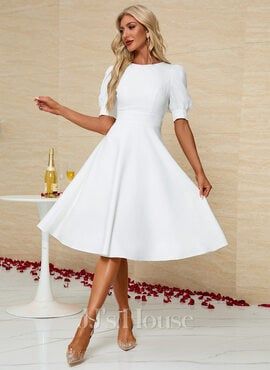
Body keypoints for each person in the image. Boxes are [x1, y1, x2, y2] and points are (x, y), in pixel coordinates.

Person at [34, 4, 228, 366]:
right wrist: (61, 110)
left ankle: (87, 326)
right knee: (114, 242)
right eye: (122, 28)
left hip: (145, 163)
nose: (125, 33)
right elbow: (107, 125)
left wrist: (199, 171)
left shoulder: (172, 73)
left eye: (131, 26)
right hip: (114, 160)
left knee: (113, 243)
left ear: (148, 29)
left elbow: (180, 124)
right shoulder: (114, 72)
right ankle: (120, 318)